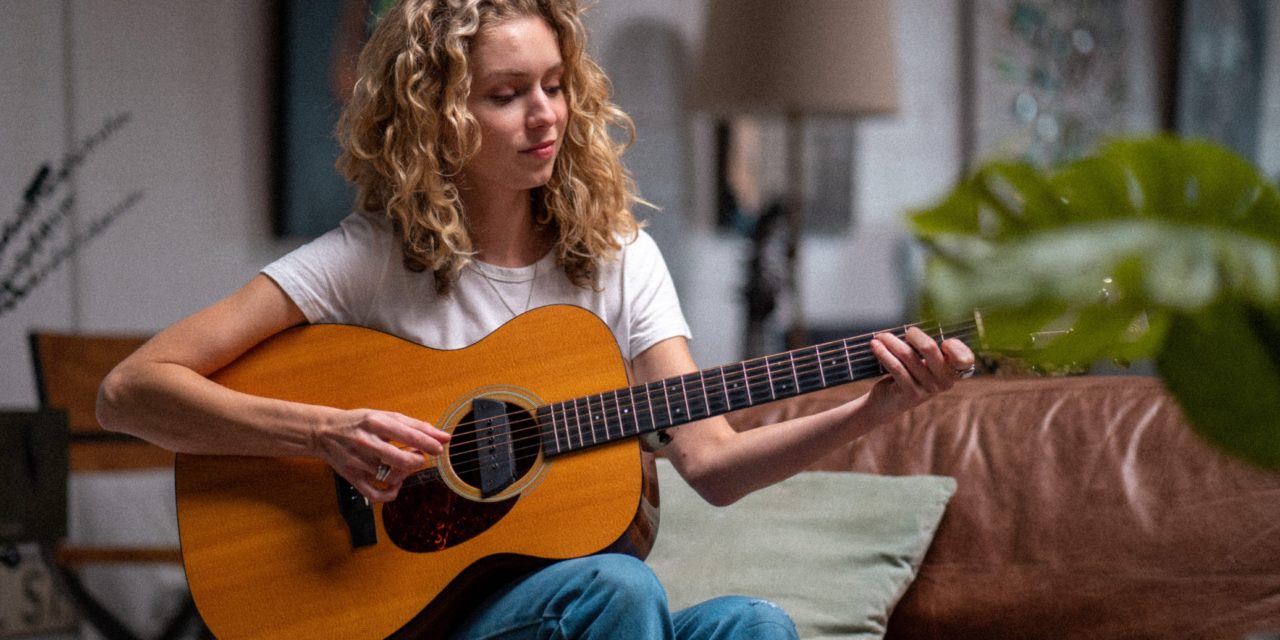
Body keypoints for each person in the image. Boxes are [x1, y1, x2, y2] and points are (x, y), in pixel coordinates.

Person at [97, 1, 974, 638]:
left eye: (555, 85)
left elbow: (710, 463)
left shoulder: (620, 257)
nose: (545, 114)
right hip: (411, 615)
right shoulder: (369, 258)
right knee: (620, 592)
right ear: (437, 120)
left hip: (572, 611)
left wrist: (875, 408)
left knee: (754, 626)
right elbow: (130, 392)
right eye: (506, 94)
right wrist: (324, 430)